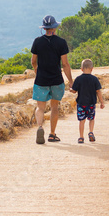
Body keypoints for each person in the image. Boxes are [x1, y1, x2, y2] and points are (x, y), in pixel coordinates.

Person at [31, 15, 72, 144]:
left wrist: (37, 71)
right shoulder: (61, 42)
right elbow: (65, 64)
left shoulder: (37, 41)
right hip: (56, 80)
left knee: (40, 107)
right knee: (54, 107)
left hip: (41, 80)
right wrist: (71, 81)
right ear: (54, 27)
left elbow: (33, 61)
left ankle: (40, 127)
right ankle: (52, 134)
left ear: (44, 28)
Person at [70, 58, 105, 143]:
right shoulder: (94, 79)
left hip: (81, 103)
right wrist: (102, 102)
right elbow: (98, 91)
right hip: (91, 103)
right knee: (91, 118)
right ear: (92, 69)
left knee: (82, 120)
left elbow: (74, 91)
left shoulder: (78, 79)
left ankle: (81, 137)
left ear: (81, 69)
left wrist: (71, 89)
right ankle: (91, 132)